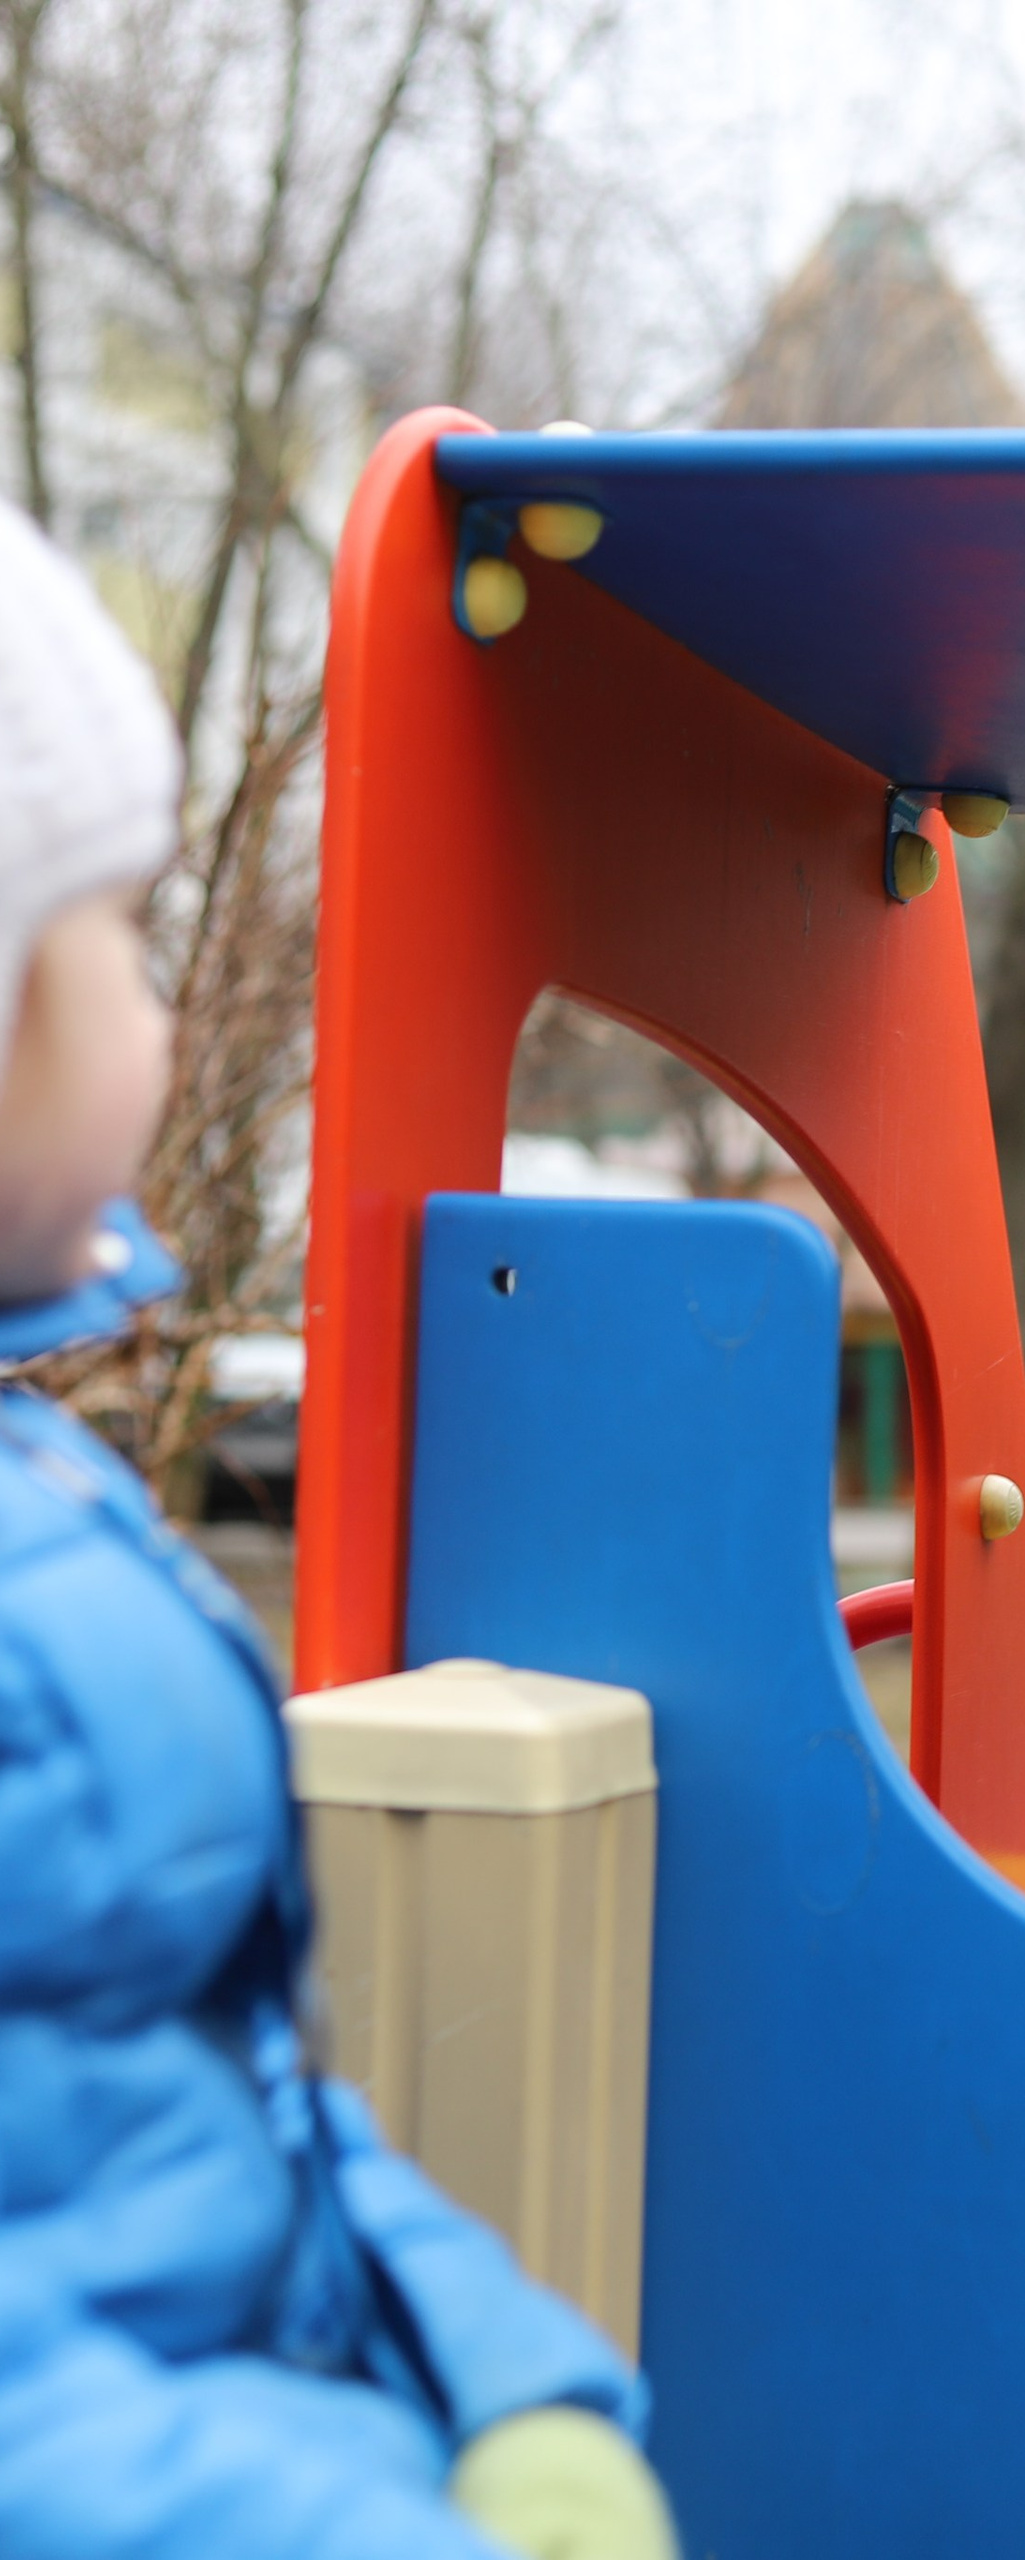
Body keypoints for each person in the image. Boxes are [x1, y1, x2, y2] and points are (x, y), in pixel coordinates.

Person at [0, 498, 677, 2555]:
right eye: (129, 925)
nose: (168, 1005)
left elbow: (208, 2102)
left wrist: (500, 2378)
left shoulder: (46, 1489)